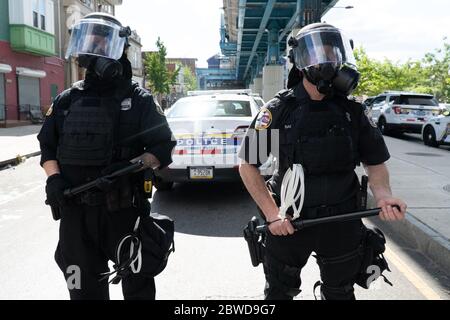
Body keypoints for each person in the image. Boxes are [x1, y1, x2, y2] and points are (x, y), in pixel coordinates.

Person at [239, 23, 407, 300]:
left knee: (340, 293)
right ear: (303, 62)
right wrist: (272, 214)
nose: (328, 61)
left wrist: (384, 196)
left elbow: (375, 163)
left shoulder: (352, 112)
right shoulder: (279, 110)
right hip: (289, 222)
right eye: (320, 54)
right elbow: (248, 164)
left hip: (342, 221)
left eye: (332, 54)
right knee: (278, 293)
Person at [38, 12, 176, 300]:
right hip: (76, 215)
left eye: (101, 44)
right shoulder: (66, 101)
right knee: (82, 292)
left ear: (117, 50)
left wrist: (132, 165)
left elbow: (163, 147)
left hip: (124, 210)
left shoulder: (139, 100)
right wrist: (54, 179)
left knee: (138, 288)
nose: (93, 50)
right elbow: (47, 147)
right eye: (89, 43)